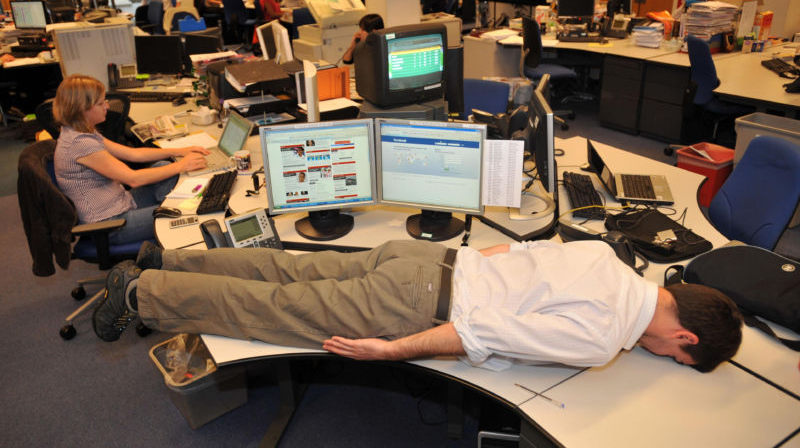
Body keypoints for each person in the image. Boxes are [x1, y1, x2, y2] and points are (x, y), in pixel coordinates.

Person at [93, 239, 742, 373]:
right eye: (676, 357)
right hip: (417, 299)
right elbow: (476, 329)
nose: (660, 357)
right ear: (684, 338)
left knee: (285, 267)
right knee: (273, 309)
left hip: (424, 258)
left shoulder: (607, 256)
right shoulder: (604, 337)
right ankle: (142, 292)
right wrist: (394, 348)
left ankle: (170, 261)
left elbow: (509, 249)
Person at [53, 75, 208, 244]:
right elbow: (133, 179)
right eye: (100, 103)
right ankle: (180, 228)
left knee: (164, 166)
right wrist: (182, 166)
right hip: (111, 223)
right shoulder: (79, 144)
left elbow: (133, 154)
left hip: (121, 201)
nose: (107, 106)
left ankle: (174, 213)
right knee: (185, 214)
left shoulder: (81, 130)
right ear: (82, 109)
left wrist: (179, 151)